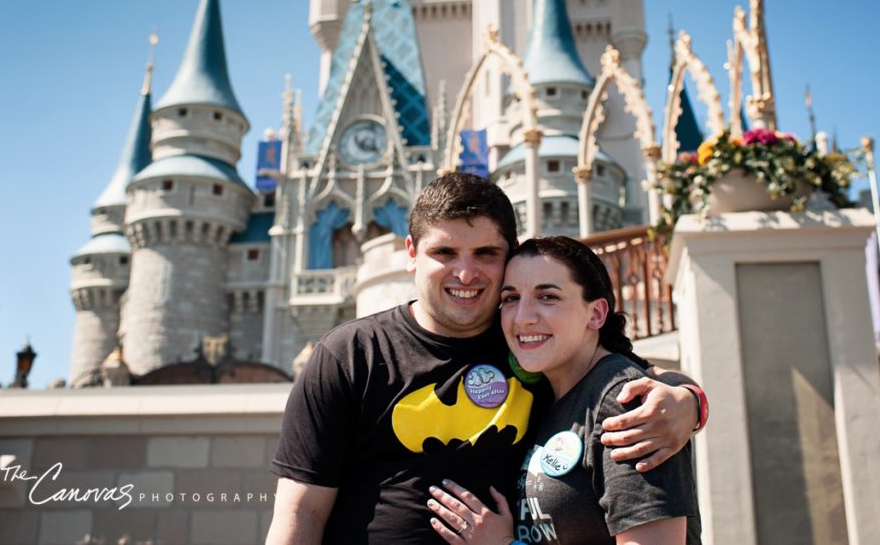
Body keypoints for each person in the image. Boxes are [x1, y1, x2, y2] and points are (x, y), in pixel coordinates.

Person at [266, 174, 702, 544]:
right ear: (412, 253)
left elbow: (623, 379)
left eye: (486, 254)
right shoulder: (349, 354)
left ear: (509, 253)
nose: (465, 273)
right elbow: (301, 513)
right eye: (445, 253)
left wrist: (688, 400)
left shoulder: (531, 343)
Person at [427, 236, 701, 545]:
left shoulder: (622, 402)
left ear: (596, 314)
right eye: (511, 298)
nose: (523, 317)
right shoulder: (548, 394)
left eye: (548, 297)